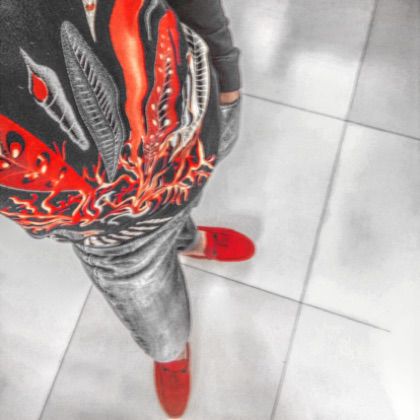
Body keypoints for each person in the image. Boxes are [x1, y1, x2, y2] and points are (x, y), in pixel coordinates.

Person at [0, 0, 255, 417]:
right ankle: (171, 353)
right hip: (94, 214)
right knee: (152, 308)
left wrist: (226, 73)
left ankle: (187, 240)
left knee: (179, 205)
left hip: (186, 115)